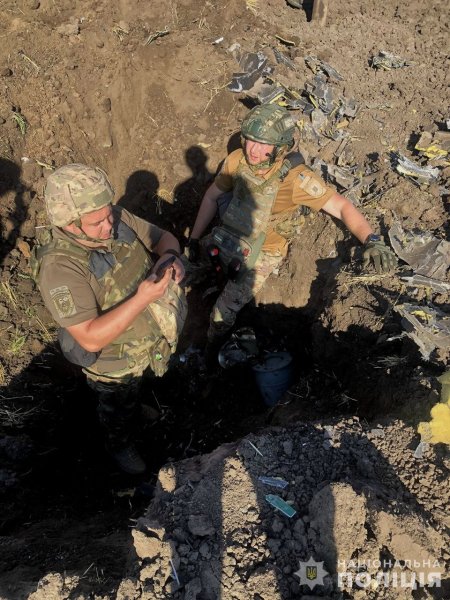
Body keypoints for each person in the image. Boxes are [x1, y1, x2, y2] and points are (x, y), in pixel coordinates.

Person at [186, 103, 396, 354]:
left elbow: (341, 207)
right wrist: (194, 240)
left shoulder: (296, 180)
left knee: (221, 315)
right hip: (229, 235)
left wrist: (370, 238)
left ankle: (210, 353)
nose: (254, 150)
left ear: (281, 148)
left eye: (264, 144)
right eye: (251, 140)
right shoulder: (236, 160)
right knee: (182, 268)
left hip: (263, 252)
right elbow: (211, 197)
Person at [31, 164, 187, 475]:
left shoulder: (112, 216)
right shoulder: (59, 268)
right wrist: (143, 297)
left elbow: (163, 237)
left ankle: (135, 409)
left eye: (108, 214)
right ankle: (119, 444)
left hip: (148, 336)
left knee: (139, 386)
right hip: (114, 362)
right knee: (116, 404)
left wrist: (172, 258)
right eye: (97, 222)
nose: (109, 224)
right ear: (70, 224)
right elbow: (89, 337)